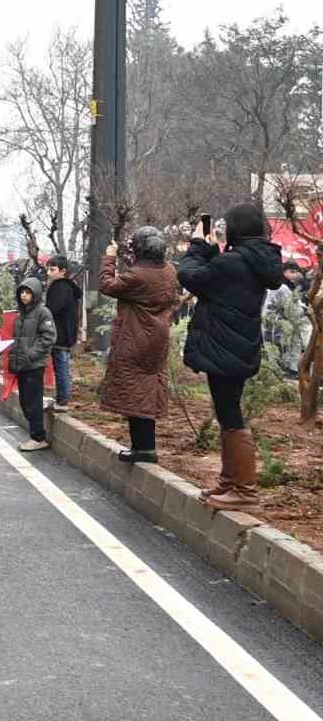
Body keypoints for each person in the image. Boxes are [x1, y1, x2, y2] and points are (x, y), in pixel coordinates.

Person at [180, 203, 285, 508]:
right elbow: (222, 281)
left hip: (224, 347)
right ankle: (230, 482)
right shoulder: (256, 260)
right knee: (227, 411)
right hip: (239, 345)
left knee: (230, 413)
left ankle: (245, 490)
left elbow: (189, 274)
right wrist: (214, 252)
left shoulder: (235, 262)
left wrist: (199, 244)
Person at [98, 226, 179, 464]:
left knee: (134, 392)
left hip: (135, 338)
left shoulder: (137, 276)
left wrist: (110, 256)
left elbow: (106, 284)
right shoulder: (169, 271)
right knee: (146, 390)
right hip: (157, 338)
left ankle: (143, 449)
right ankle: (144, 446)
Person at [7, 277, 56, 452]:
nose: (24, 296)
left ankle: (38, 437)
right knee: (25, 401)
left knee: (32, 402)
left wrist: (31, 355)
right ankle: (36, 434)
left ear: (35, 294)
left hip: (34, 365)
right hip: (22, 365)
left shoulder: (43, 312)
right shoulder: (21, 314)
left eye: (27, 293)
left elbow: (49, 337)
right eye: (22, 292)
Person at [44, 256, 82, 412]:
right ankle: (62, 397)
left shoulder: (59, 287)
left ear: (63, 271)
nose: (48, 273)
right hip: (67, 333)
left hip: (59, 333)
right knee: (62, 366)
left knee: (61, 366)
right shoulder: (69, 287)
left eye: (52, 270)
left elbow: (52, 310)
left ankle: (63, 400)